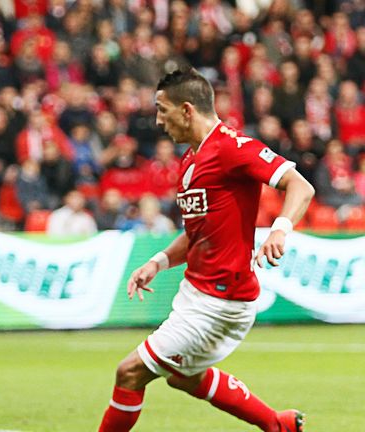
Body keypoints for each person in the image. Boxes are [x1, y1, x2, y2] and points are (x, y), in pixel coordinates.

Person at [98, 68, 315, 432]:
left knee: (130, 371)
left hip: (221, 297)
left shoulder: (231, 147)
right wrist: (159, 261)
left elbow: (300, 186)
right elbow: (198, 232)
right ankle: (277, 425)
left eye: (162, 110)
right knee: (184, 377)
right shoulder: (191, 160)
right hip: (197, 291)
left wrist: (280, 229)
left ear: (186, 110)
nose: (158, 120)